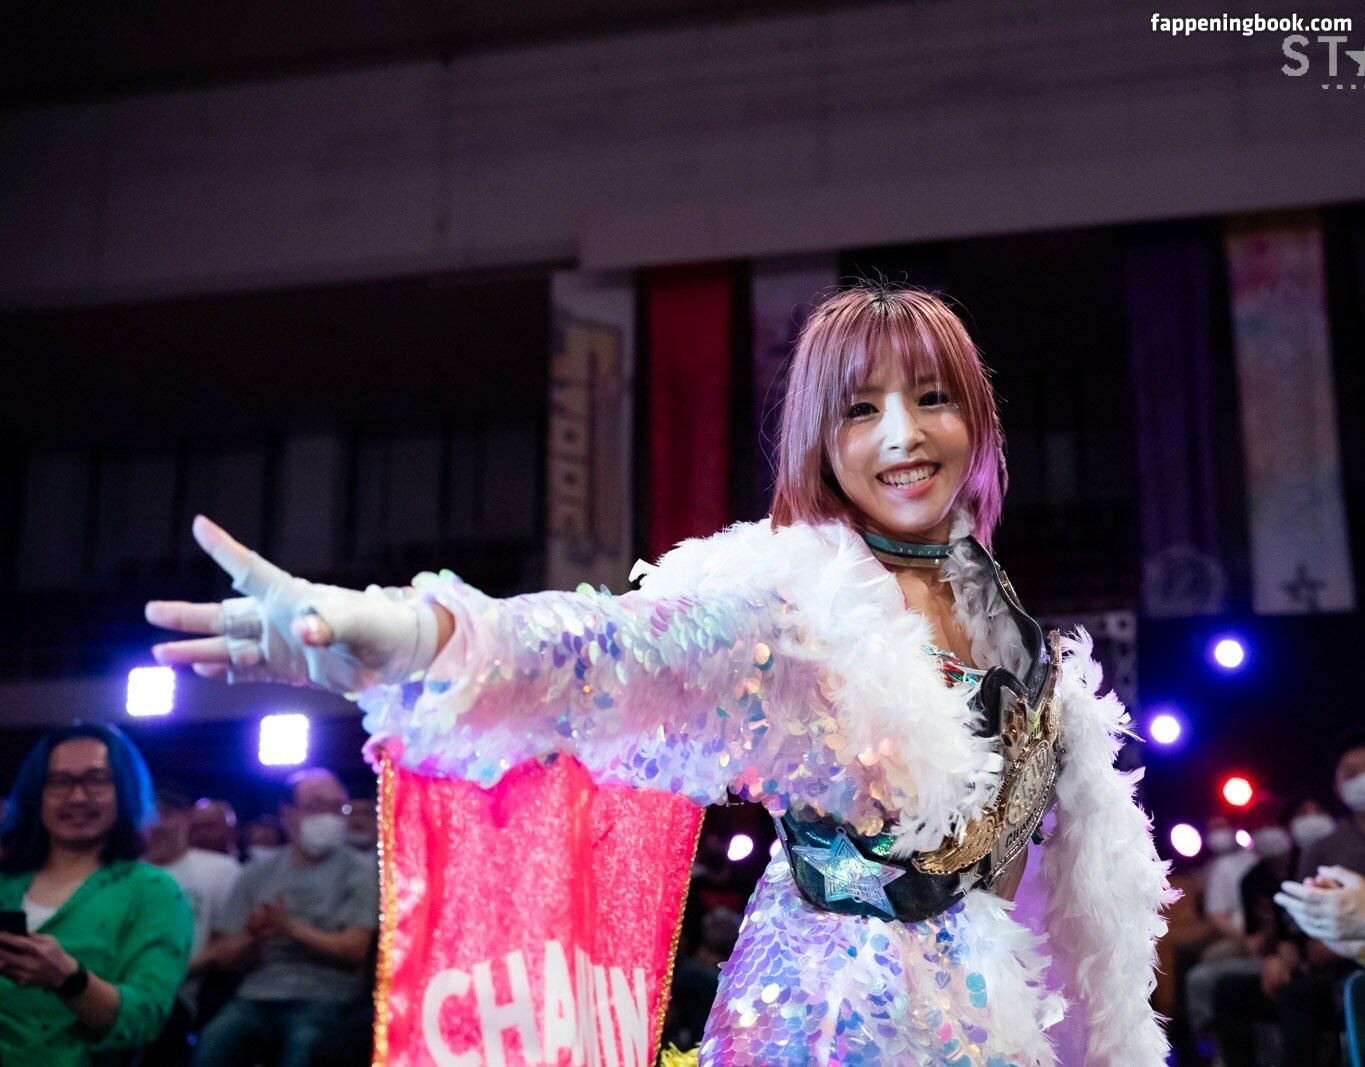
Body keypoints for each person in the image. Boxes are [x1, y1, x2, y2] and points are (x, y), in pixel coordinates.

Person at [147, 284, 1175, 1064]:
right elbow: (610, 650)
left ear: (976, 421)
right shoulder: (793, 606)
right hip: (834, 1029)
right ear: (819, 441)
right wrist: (414, 630)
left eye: (933, 398)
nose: (903, 434)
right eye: (861, 409)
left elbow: (1069, 905)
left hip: (994, 1032)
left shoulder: (1005, 616)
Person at [0, 723, 193, 1067]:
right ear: (37, 793)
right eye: (59, 781)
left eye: (96, 780)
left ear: (124, 791)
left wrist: (69, 979)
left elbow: (144, 1019)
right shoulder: (7, 882)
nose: (77, 797)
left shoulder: (153, 891)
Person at [188, 768, 378, 1067]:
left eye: (337, 807)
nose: (328, 816)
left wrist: (290, 927)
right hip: (255, 997)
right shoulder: (255, 874)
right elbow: (227, 960)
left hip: (329, 999)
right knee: (214, 1041)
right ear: (288, 813)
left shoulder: (361, 871)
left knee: (305, 1045)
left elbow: (355, 950)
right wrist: (254, 937)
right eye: (316, 806)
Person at [142, 788, 242, 1064]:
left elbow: (230, 942)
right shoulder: (119, 871)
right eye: (149, 815)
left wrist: (180, 969)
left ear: (186, 819)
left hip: (180, 996)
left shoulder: (221, 870)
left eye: (166, 815)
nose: (157, 825)